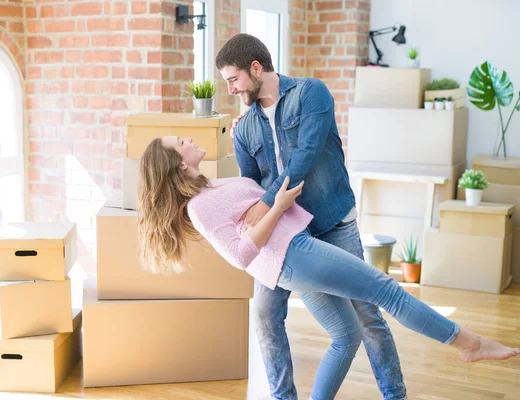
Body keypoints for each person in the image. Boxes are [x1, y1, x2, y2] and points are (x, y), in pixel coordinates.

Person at [136, 136, 520, 400]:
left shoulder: (208, 189)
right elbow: (240, 254)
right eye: (179, 143)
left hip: (294, 255)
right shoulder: (199, 206)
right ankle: (469, 343)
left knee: (346, 335)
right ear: (176, 165)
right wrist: (279, 206)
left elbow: (248, 209)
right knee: (386, 290)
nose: (187, 140)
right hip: (292, 254)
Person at [215, 33, 406, 399]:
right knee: (266, 318)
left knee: (367, 314)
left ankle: (394, 394)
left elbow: (306, 156)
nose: (231, 90)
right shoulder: (246, 129)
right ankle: (283, 396)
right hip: (284, 237)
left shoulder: (311, 94)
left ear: (256, 68)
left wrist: (268, 202)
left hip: (332, 224)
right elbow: (250, 186)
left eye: (234, 79)